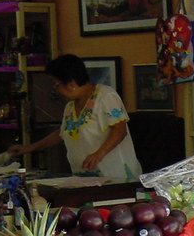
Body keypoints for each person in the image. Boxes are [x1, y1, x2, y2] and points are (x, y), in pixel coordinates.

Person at [8, 54, 142, 183]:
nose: (56, 90)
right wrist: (30, 148)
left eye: (56, 84)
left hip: (115, 178)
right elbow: (62, 133)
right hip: (84, 179)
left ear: (71, 82)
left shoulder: (106, 96)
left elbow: (120, 130)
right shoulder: (70, 107)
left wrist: (98, 154)